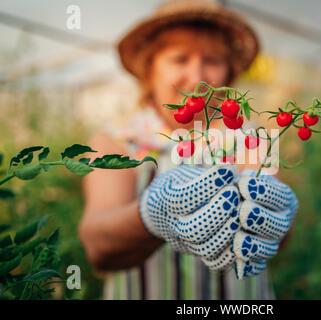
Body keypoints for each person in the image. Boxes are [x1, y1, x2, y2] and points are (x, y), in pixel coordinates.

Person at [78, 0, 297, 300]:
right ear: (150, 68)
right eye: (180, 59)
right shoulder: (117, 142)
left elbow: (278, 238)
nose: (197, 77)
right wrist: (151, 217)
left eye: (213, 60)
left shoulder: (248, 137)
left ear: (228, 73)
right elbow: (99, 249)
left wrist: (275, 219)